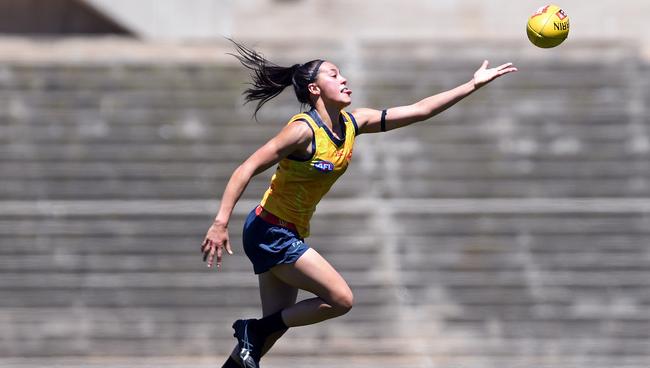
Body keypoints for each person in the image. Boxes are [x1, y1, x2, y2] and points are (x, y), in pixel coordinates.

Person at [201, 40, 517, 368]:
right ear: (314, 89)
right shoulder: (302, 132)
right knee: (340, 299)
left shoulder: (353, 124)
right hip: (270, 231)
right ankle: (253, 328)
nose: (343, 79)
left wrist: (472, 84)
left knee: (269, 336)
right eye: (334, 75)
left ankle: (252, 337)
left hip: (286, 231)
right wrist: (220, 222)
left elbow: (420, 110)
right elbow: (246, 168)